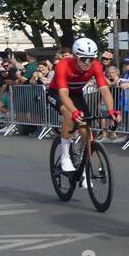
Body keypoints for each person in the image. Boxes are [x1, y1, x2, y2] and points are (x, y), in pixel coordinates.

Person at [47, 38, 120, 171]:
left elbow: (104, 90)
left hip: (76, 94)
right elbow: (63, 95)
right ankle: (65, 157)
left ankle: (82, 163)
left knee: (87, 132)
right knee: (69, 115)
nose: (87, 63)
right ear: (75, 57)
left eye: (91, 59)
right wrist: (74, 111)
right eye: (84, 59)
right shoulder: (63, 65)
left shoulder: (96, 66)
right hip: (56, 93)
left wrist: (111, 110)